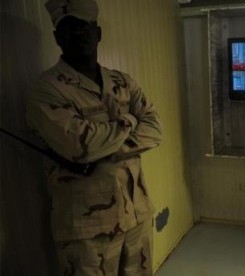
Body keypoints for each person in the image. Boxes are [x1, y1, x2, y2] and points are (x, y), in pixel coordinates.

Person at [25, 0, 162, 275]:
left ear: (97, 33)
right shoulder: (46, 90)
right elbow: (81, 146)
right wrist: (129, 120)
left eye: (82, 27)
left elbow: (155, 130)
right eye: (67, 29)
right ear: (56, 38)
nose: (76, 34)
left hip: (135, 216)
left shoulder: (123, 82)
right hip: (86, 232)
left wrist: (107, 145)